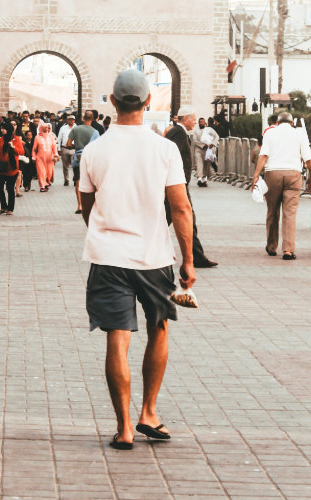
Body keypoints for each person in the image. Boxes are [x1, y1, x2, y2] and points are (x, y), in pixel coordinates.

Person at [78, 69, 196, 451]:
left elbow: (86, 205)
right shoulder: (165, 149)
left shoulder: (94, 150)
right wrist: (188, 261)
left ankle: (125, 427)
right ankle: (149, 411)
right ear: (148, 102)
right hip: (154, 257)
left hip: (108, 257)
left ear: (112, 102)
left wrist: (102, 229)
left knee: (117, 337)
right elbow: (180, 209)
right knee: (158, 328)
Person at [251, 112, 311, 260]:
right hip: (294, 174)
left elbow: (264, 155)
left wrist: (256, 175)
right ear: (292, 123)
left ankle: (272, 246)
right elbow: (308, 157)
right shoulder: (299, 133)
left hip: (272, 173)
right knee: (290, 213)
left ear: (278, 122)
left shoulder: (270, 133)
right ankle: (288, 250)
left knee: (272, 211)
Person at [165, 105, 218, 268]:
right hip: (176, 184)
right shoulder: (179, 133)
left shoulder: (177, 132)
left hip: (176, 183)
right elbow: (171, 157)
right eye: (194, 119)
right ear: (186, 119)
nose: (195, 122)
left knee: (178, 219)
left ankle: (197, 256)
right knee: (184, 219)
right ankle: (197, 257)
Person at [67, 111, 100, 214]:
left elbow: (68, 144)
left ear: (83, 118)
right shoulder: (95, 132)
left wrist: (76, 146)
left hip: (78, 157)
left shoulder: (76, 129)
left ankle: (80, 205)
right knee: (91, 182)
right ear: (93, 119)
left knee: (78, 181)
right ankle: (90, 205)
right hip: (90, 159)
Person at [0, 122, 25, 215]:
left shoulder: (16, 139)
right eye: (1, 128)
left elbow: (21, 152)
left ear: (9, 129)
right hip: (1, 168)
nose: (2, 130)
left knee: (10, 189)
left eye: (4, 128)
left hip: (12, 168)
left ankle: (10, 209)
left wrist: (13, 148)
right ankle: (3, 207)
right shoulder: (1, 140)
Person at [193, 117, 219, 187]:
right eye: (200, 122)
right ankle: (199, 179)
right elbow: (195, 140)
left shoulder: (209, 130)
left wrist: (213, 144)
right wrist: (202, 145)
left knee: (206, 165)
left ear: (205, 123)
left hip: (207, 150)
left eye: (202, 122)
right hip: (198, 149)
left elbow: (216, 136)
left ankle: (204, 180)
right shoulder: (195, 131)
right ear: (198, 123)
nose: (201, 123)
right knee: (199, 164)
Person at [33, 122, 58, 191]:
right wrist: (33, 157)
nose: (45, 129)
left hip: (50, 158)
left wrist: (56, 154)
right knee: (41, 172)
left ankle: (47, 183)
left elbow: (54, 147)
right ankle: (42, 186)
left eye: (46, 127)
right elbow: (34, 149)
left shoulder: (51, 136)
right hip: (40, 158)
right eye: (44, 127)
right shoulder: (37, 137)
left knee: (49, 172)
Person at [57, 115, 76, 186]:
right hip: (64, 148)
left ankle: (75, 179)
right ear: (67, 121)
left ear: (74, 120)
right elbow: (59, 139)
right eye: (69, 120)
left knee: (74, 165)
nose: (71, 121)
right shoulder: (63, 128)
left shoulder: (76, 128)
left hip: (74, 149)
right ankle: (66, 180)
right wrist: (58, 149)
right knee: (65, 166)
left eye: (72, 120)